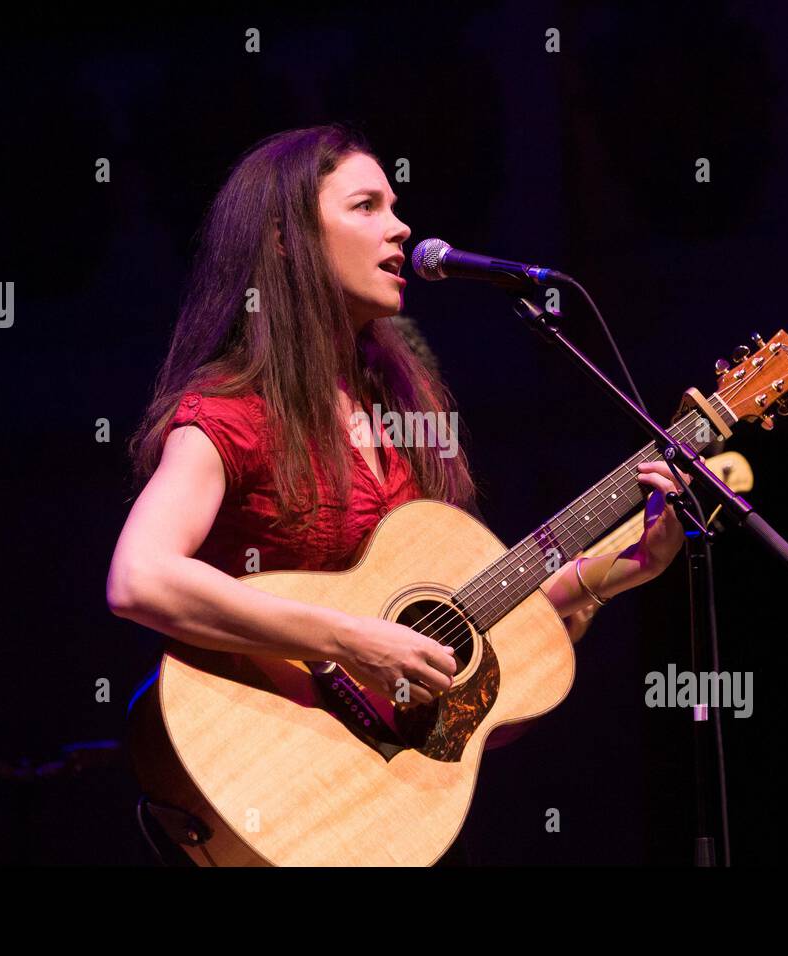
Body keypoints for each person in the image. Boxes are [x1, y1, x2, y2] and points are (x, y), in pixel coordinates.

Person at [106, 123, 687, 865]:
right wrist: (350, 639)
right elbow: (139, 577)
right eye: (367, 206)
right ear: (287, 241)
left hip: (366, 786)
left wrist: (618, 570)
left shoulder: (400, 415)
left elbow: (459, 628)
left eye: (396, 205)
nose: (402, 226)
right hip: (265, 763)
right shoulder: (233, 414)